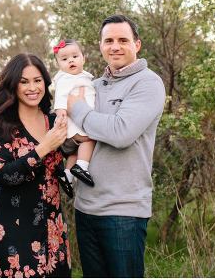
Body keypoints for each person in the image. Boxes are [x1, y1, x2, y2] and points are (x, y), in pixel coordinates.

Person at [63, 14, 165, 278]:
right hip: (85, 209)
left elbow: (121, 133)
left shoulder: (148, 83)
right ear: (100, 46)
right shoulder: (93, 85)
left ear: (137, 44)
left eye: (123, 40)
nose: (115, 46)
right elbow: (73, 137)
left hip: (123, 212)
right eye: (109, 40)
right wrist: (73, 139)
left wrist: (80, 111)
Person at [0, 53, 72, 278]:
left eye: (37, 80)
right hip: (14, 228)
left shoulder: (53, 121)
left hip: (53, 226)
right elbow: (4, 176)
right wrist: (44, 147)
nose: (32, 88)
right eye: (24, 81)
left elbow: (63, 168)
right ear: (13, 85)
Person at [50, 39, 97, 197]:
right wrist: (60, 110)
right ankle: (82, 167)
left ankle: (68, 176)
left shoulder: (85, 77)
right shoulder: (65, 78)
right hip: (74, 121)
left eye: (75, 56)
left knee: (74, 152)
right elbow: (61, 96)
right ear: (59, 64)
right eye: (64, 59)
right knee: (88, 140)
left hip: (81, 118)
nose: (70, 60)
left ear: (83, 58)